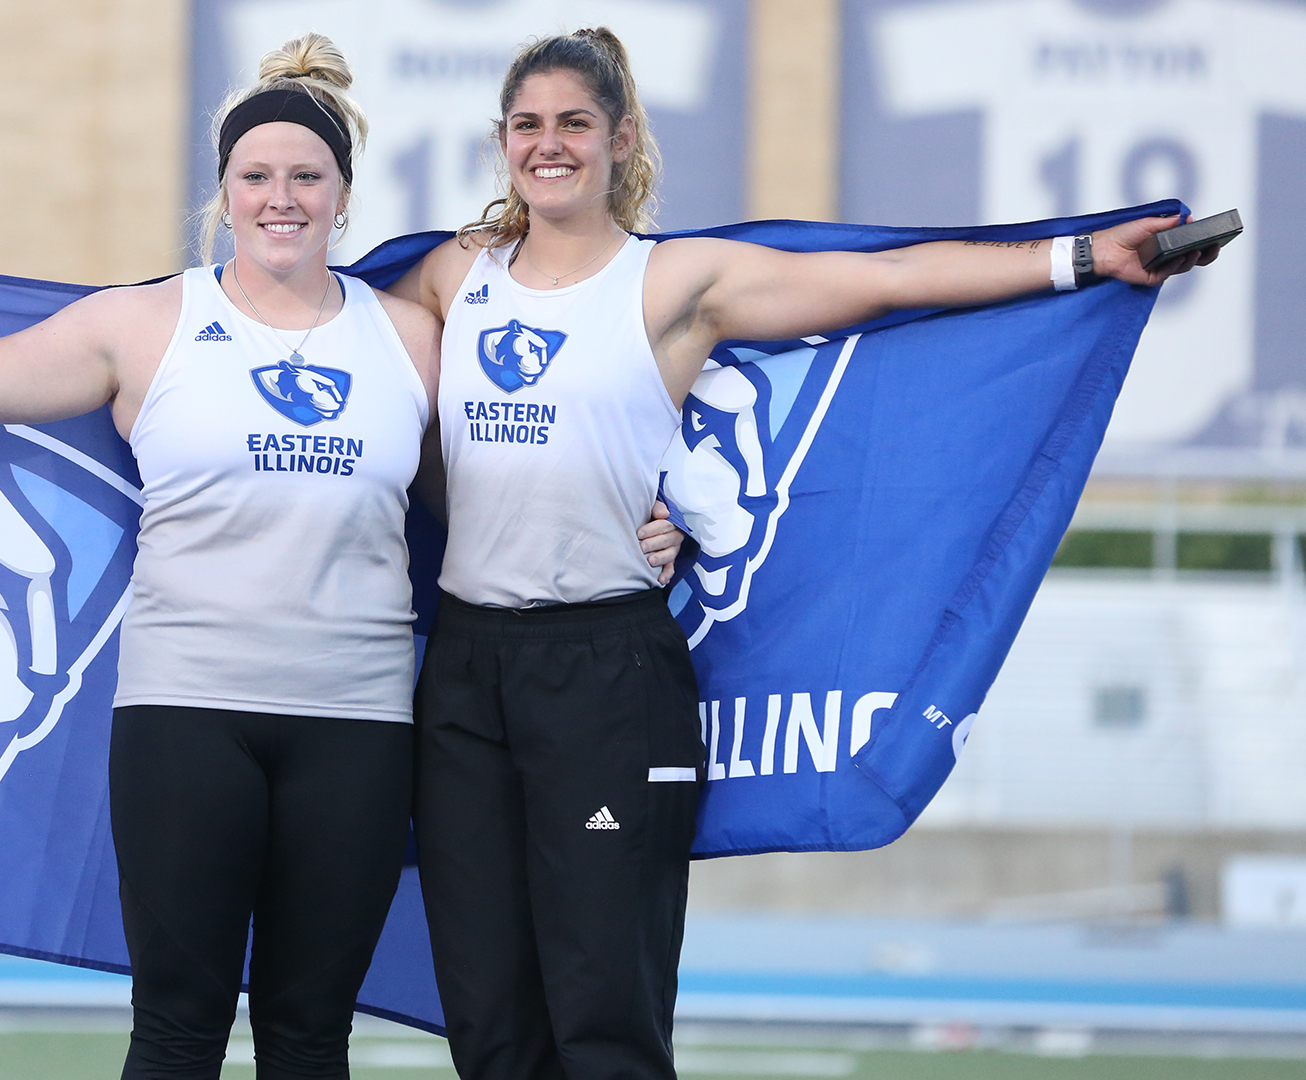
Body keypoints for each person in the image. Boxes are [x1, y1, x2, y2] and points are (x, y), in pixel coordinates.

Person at [390, 27, 1220, 1080]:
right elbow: (345, 374)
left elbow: (885, 285)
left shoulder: (675, 281)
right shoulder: (451, 278)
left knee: (604, 1019)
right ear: (499, 141)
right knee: (492, 1025)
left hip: (604, 672)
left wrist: (1085, 258)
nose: (549, 144)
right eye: (527, 125)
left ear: (622, 137)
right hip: (467, 677)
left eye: (574, 123)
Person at [0, 34, 443, 1080]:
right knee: (178, 1026)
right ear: (225, 191)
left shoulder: (411, 338)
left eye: (308, 176)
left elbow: (508, 487)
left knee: (310, 1036)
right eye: (257, 176)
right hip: (187, 717)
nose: (281, 197)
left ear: (345, 193)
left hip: (357, 726)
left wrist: (644, 527)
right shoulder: (146, 323)